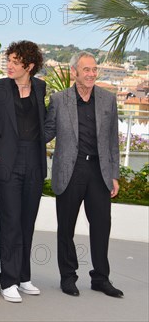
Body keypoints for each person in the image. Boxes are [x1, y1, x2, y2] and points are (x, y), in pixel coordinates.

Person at [45, 52, 123, 298]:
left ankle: (101, 278)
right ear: (74, 72)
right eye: (86, 69)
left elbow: (112, 141)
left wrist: (114, 174)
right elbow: (46, 132)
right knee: (66, 228)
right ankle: (68, 277)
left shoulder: (108, 100)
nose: (91, 74)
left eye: (94, 69)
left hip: (99, 171)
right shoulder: (59, 100)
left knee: (102, 226)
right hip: (70, 169)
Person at [0, 41, 46, 303]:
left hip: (34, 159)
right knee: (10, 221)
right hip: (7, 161)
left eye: (15, 61)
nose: (9, 65)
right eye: (8, 60)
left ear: (29, 66)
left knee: (27, 221)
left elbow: (44, 124)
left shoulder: (40, 87)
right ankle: (8, 280)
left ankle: (24, 277)